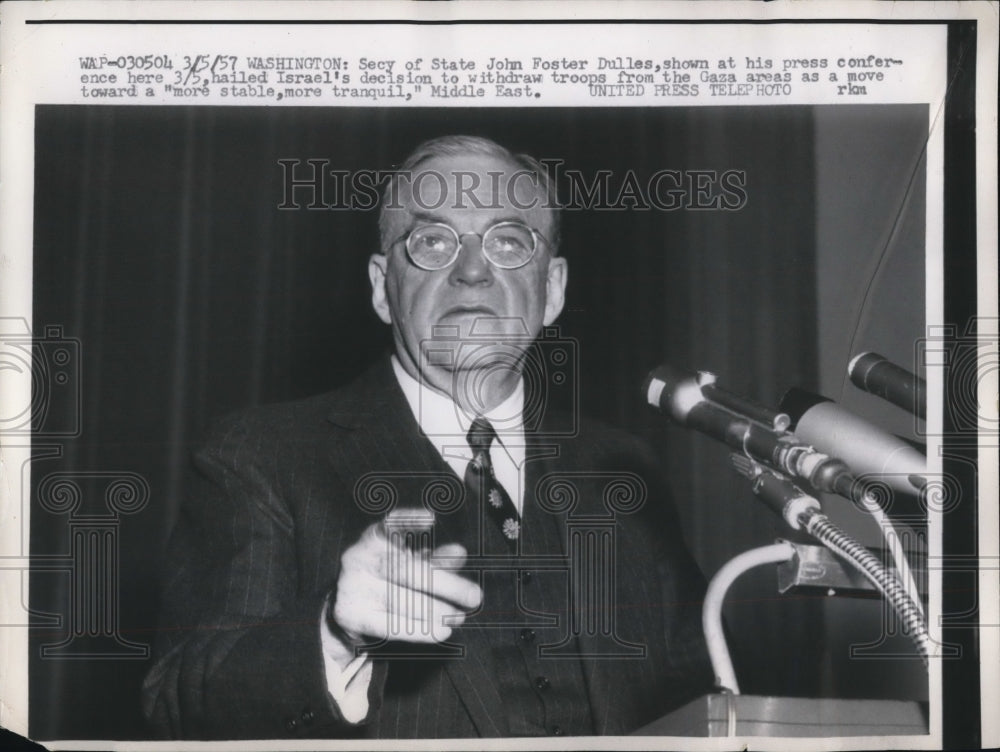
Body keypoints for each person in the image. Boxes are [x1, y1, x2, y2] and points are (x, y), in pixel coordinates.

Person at [142, 135, 714, 739]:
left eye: (508, 242)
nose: (472, 272)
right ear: (381, 287)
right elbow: (178, 704)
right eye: (433, 242)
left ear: (552, 290)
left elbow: (704, 698)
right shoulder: (262, 457)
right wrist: (333, 634)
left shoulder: (622, 470)